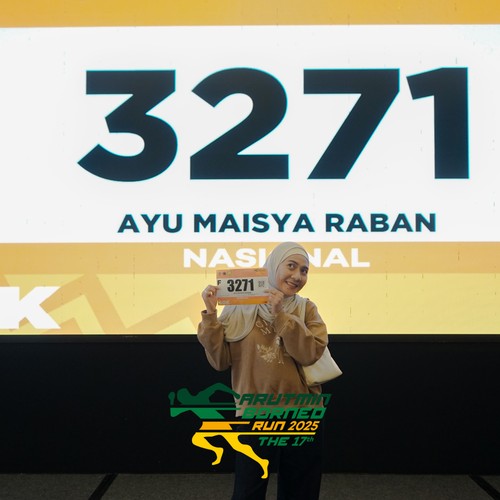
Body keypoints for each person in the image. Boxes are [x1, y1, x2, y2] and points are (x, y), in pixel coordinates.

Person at [197, 242, 329, 500]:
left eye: (304, 270)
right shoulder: (237, 308)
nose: (297, 276)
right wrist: (211, 314)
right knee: (248, 491)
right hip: (255, 412)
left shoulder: (306, 308)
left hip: (303, 412)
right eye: (291, 266)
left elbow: (310, 353)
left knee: (301, 491)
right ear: (273, 266)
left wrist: (280, 314)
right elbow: (220, 361)